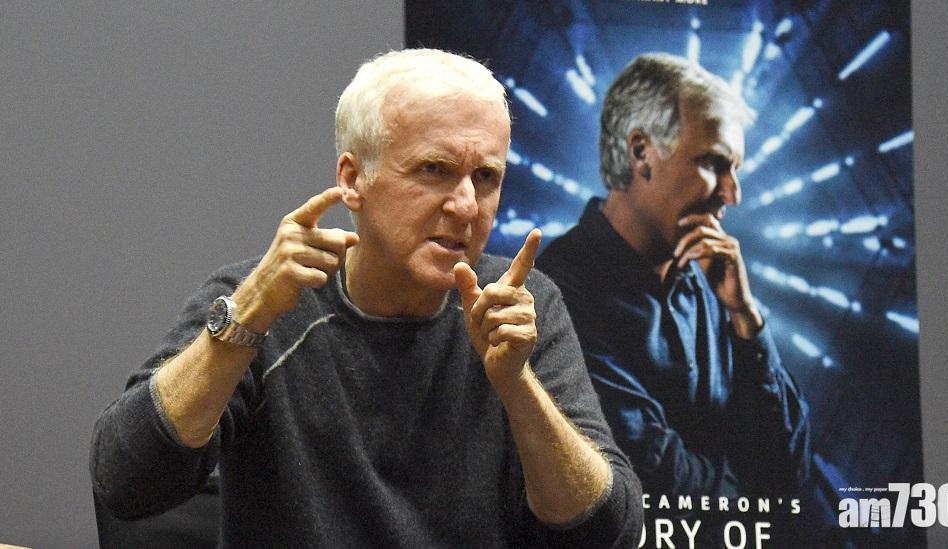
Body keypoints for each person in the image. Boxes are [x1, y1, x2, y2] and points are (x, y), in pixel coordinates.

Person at [90, 49, 642, 548]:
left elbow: (608, 533)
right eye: (435, 170)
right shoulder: (267, 302)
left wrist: (517, 385)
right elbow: (125, 481)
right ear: (353, 179)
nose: (467, 206)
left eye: (486, 177)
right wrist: (247, 317)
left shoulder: (520, 305)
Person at [537, 53, 810, 501]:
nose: (732, 195)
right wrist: (762, 502)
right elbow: (653, 475)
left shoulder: (710, 285)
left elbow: (787, 467)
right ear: (641, 153)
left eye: (735, 170)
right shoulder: (558, 294)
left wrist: (746, 319)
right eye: (714, 164)